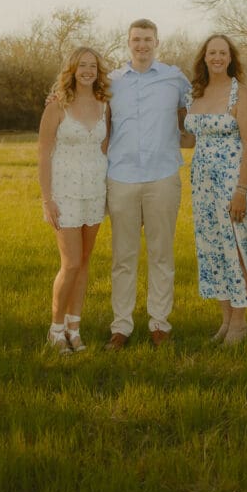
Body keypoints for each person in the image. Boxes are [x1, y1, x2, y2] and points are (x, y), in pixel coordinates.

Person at [105, 19, 190, 350]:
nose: (142, 45)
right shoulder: (112, 81)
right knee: (123, 257)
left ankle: (159, 324)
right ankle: (121, 327)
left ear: (157, 42)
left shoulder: (174, 78)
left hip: (163, 176)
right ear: (127, 43)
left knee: (161, 254)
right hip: (121, 177)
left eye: (148, 39)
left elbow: (202, 104)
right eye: (136, 39)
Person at [184, 35, 247, 345]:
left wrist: (241, 190)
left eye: (223, 52)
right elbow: (189, 138)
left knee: (236, 247)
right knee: (214, 250)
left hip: (232, 180)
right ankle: (224, 322)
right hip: (202, 184)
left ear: (231, 58)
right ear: (204, 57)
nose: (217, 57)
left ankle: (240, 323)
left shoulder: (241, 94)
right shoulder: (194, 93)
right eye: (212, 52)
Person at [38, 47, 111, 353]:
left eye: (92, 66)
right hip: (64, 193)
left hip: (94, 191)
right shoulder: (57, 105)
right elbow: (43, 152)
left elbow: (104, 147)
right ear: (72, 69)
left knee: (83, 262)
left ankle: (74, 327)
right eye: (82, 65)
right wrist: (46, 199)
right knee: (69, 263)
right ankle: (55, 330)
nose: (87, 70)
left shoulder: (105, 104)